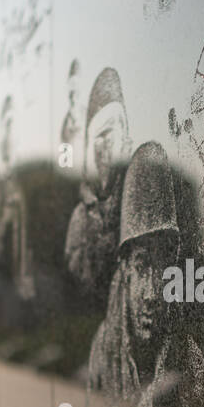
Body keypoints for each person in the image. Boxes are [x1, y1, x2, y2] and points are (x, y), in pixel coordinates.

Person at [86, 141, 204, 407]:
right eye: (143, 265)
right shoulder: (105, 355)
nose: (153, 290)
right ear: (124, 268)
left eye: (167, 269)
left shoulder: (190, 356)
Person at [65, 67, 132, 303]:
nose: (105, 146)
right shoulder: (81, 216)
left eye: (111, 133)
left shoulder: (134, 205)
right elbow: (80, 279)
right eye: (98, 138)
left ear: (127, 141)